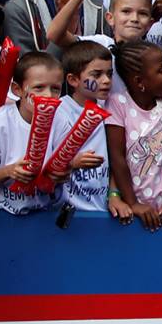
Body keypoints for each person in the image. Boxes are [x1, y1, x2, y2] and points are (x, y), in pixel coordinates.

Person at [105, 40, 162, 231]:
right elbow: (117, 159)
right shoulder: (118, 104)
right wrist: (133, 203)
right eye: (161, 70)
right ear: (139, 81)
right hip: (127, 206)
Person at [48, 0, 154, 95]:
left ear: (150, 23)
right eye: (126, 11)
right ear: (110, 18)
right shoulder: (100, 44)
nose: (134, 18)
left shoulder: (154, 57)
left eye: (142, 13)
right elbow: (54, 35)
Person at [0, 52, 62, 214]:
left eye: (56, 89)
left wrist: (67, 169)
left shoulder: (61, 120)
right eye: (39, 88)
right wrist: (9, 171)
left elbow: (62, 171)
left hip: (44, 212)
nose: (48, 95)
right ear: (17, 89)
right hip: (0, 214)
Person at [49, 41, 113, 212]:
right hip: (66, 211)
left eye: (109, 74)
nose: (106, 80)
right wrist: (71, 163)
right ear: (73, 80)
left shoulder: (110, 109)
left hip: (101, 209)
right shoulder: (59, 111)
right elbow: (45, 163)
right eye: (97, 75)